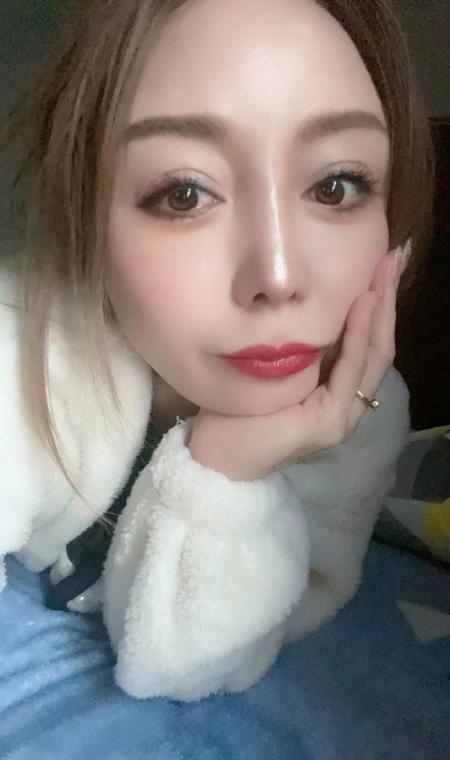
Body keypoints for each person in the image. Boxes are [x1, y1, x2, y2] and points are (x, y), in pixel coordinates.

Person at [0, 0, 434, 701]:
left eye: (336, 186)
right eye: (183, 194)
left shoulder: (362, 413)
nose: (280, 275)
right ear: (87, 218)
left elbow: (189, 668)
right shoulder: (19, 346)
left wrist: (227, 469)